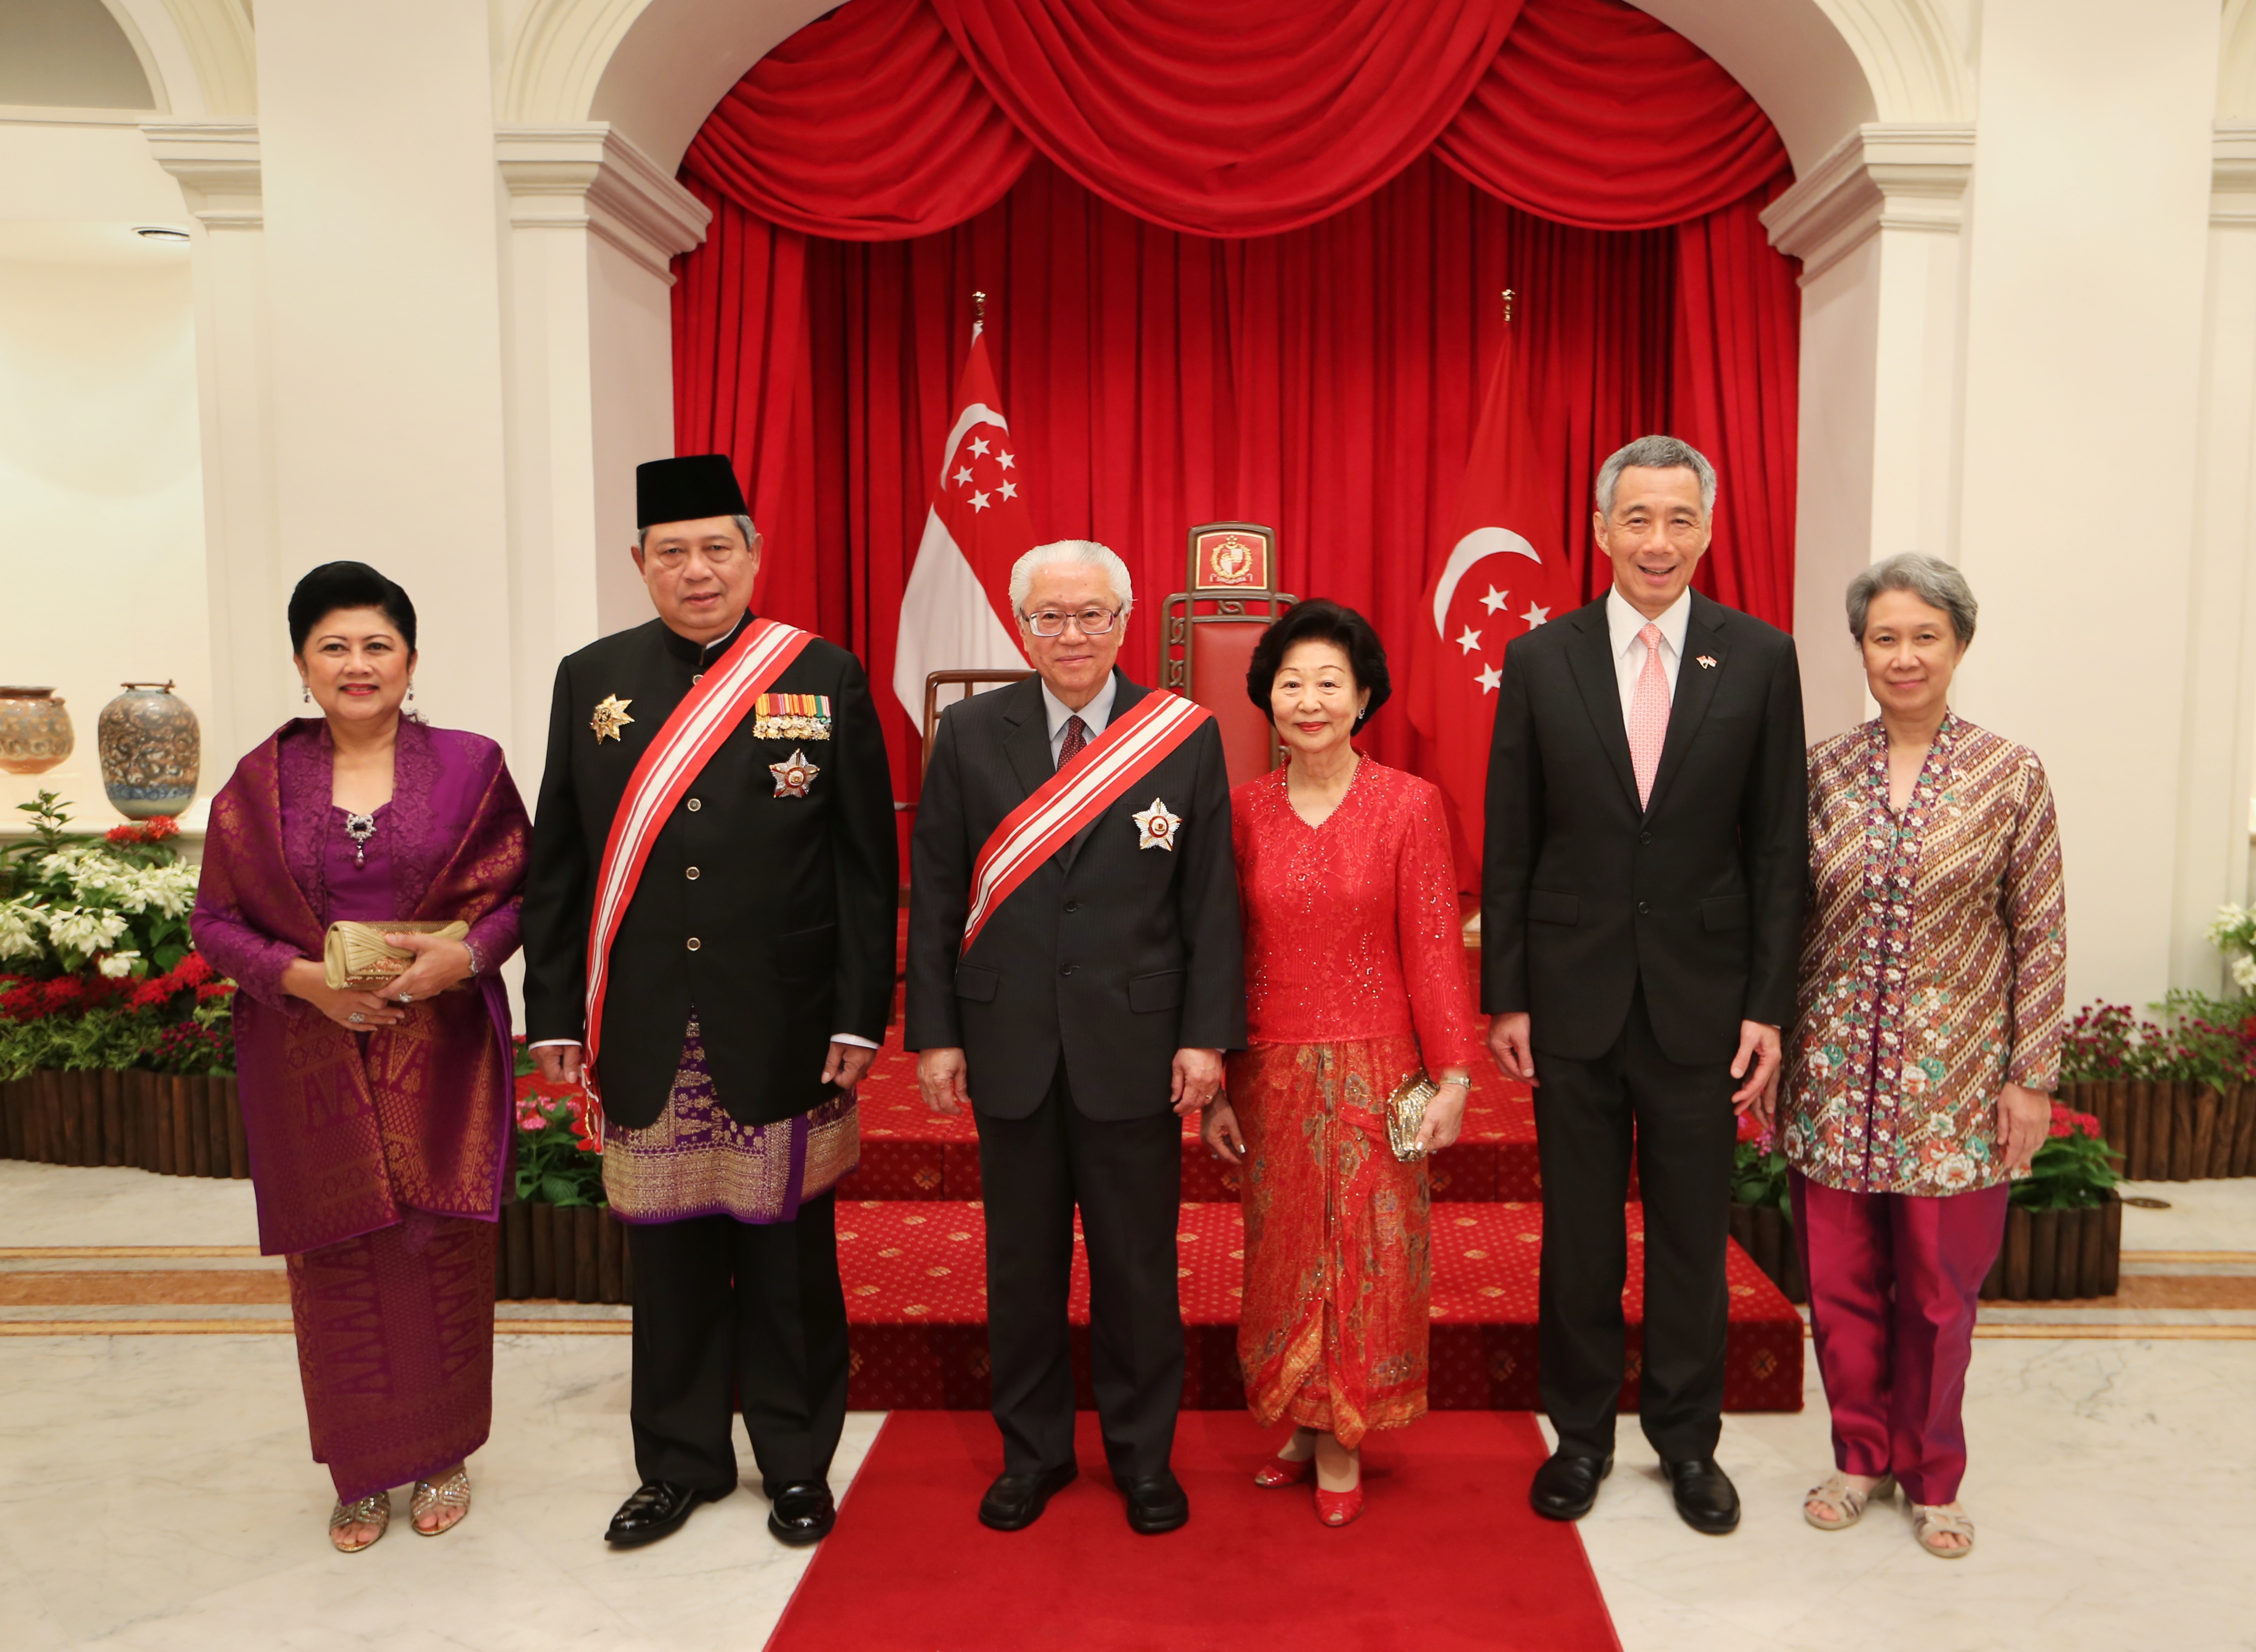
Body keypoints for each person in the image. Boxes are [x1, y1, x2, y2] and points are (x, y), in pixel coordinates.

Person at [520, 455, 896, 1550]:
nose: (696, 571)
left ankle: (793, 1460)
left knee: (789, 1262)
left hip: (783, 1019)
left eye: (716, 549)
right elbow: (560, 860)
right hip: (645, 1022)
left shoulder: (822, 674)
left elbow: (863, 864)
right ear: (640, 564)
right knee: (668, 1261)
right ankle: (678, 1462)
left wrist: (857, 1012)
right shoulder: (592, 678)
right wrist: (552, 1013)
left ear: (753, 555)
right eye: (672, 553)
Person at [1482, 434, 1806, 1535]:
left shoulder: (1761, 657)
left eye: (1678, 519)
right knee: (1577, 1232)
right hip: (1570, 996)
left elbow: (1776, 849)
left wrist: (1767, 1005)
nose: (1657, 540)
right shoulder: (1541, 658)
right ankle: (1579, 1436)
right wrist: (1507, 993)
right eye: (1637, 518)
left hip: (1703, 1001)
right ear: (1599, 528)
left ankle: (1686, 1439)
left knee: (1687, 1235)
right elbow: (1512, 838)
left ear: (1707, 529)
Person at [907, 539, 1244, 1536]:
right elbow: (932, 892)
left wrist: (1204, 1036)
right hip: (1008, 1039)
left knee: (1139, 1268)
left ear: (1124, 620)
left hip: (1136, 1046)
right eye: (1049, 616)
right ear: (1021, 626)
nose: (1071, 634)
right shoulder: (970, 733)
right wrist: (935, 1032)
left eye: (1091, 613)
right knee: (1022, 1265)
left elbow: (1210, 900)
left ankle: (1145, 1458)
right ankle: (1035, 1453)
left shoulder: (1180, 733)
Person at [192, 562, 530, 1553]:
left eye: (378, 643)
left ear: (411, 660)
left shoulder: (472, 765)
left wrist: (461, 957)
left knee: (439, 1253)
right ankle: (358, 1471)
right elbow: (213, 920)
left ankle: (444, 1453)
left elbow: (523, 894)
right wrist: (307, 982)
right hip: (311, 1058)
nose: (357, 663)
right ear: (302, 663)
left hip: (442, 1053)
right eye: (333, 644)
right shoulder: (259, 780)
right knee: (337, 1263)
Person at [1774, 552, 2064, 1560]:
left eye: (1924, 636)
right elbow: (1783, 919)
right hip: (1832, 1075)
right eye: (1884, 636)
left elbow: (2042, 930)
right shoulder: (1819, 771)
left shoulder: (2011, 772)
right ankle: (1858, 1454)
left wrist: (2032, 1075)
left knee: (1944, 1290)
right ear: (1860, 648)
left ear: (1959, 644)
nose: (1904, 655)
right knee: (1842, 1280)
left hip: (1959, 1082)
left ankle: (1934, 1472)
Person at [1200, 600, 1481, 1528]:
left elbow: (1435, 951)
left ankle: (1343, 1434)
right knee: (1282, 1257)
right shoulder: (1238, 813)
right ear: (1266, 698)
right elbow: (1222, 957)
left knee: (1365, 1256)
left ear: (1364, 697)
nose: (1309, 701)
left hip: (1379, 1069)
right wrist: (1218, 1089)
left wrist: (1454, 1078)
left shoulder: (1408, 805)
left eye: (1330, 683)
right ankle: (1298, 1415)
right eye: (1291, 683)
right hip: (1271, 1072)